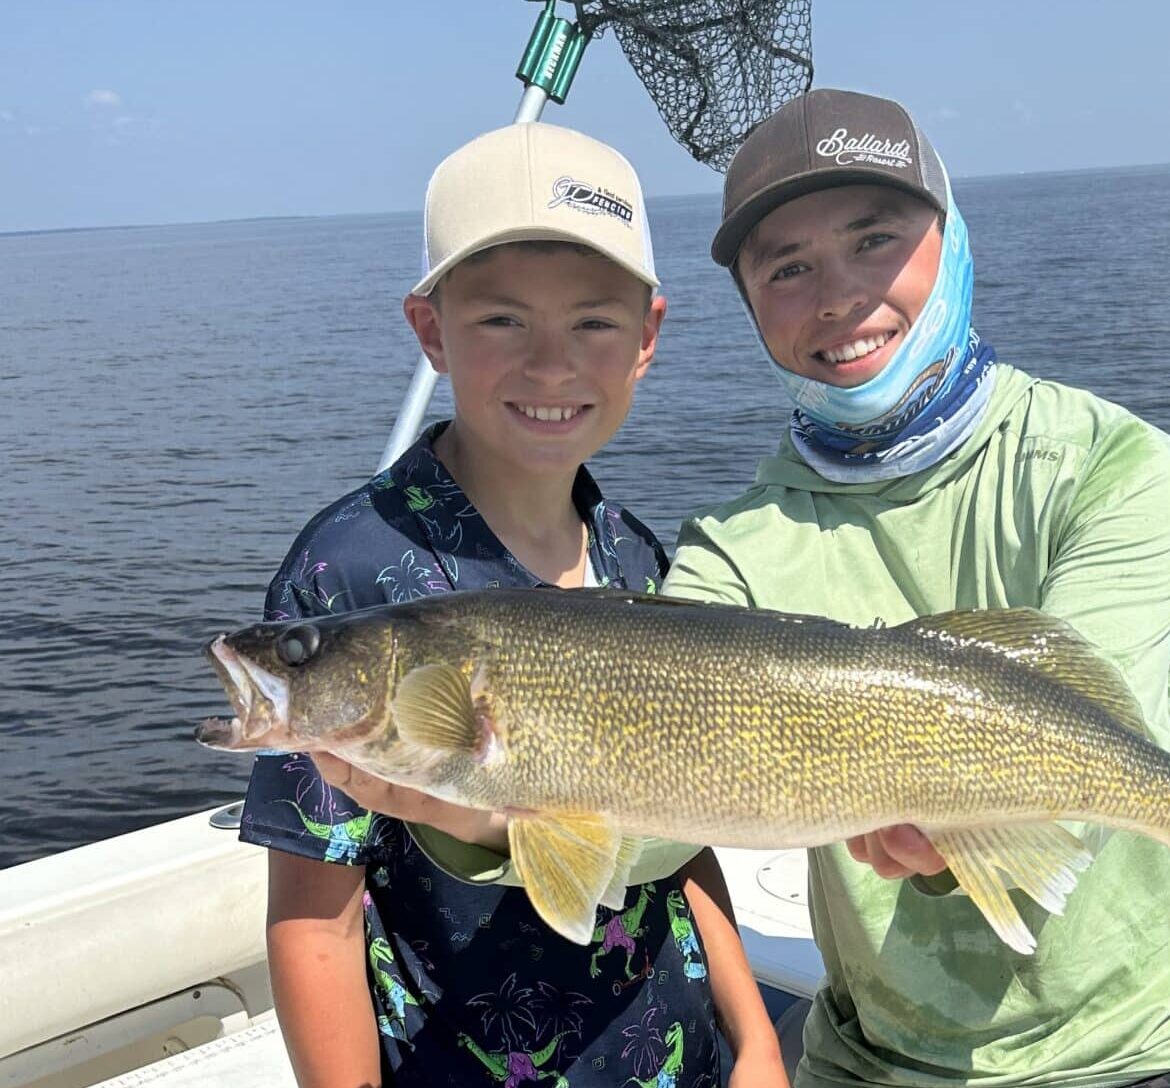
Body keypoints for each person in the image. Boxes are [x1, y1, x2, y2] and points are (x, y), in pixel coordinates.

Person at [660, 89, 1170, 1087]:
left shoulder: (1109, 462)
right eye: (787, 267)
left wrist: (950, 835)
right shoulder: (730, 548)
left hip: (1149, 1046)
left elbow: (1084, 722)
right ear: (748, 305)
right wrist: (465, 805)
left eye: (876, 239)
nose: (837, 294)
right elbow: (643, 793)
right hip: (874, 1056)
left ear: (953, 242)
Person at [238, 121, 785, 1088]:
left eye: (593, 322)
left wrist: (757, 1039)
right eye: (500, 321)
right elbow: (314, 917)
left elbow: (677, 832)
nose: (549, 365)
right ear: (430, 330)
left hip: (680, 1059)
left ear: (648, 338)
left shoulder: (632, 554)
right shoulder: (350, 575)